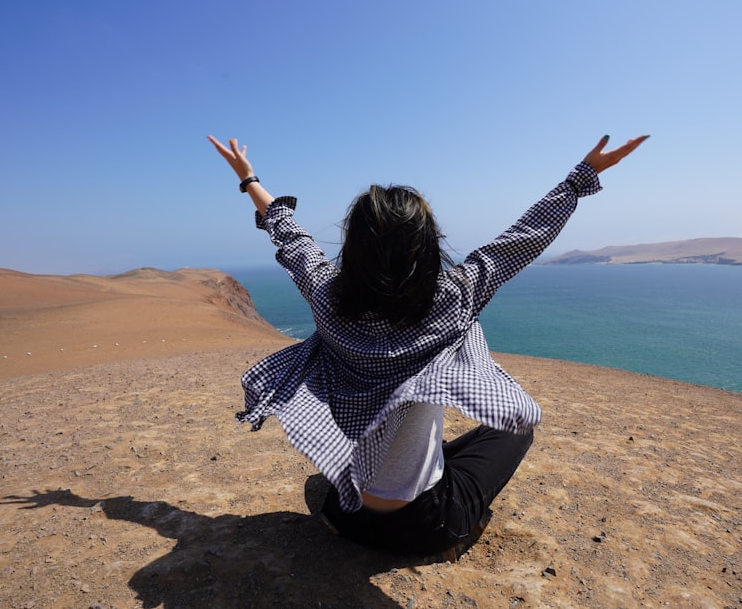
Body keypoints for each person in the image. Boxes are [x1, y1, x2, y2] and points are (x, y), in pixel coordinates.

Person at [208, 132, 649, 557]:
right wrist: (580, 178)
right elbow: (521, 240)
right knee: (514, 430)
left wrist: (249, 179)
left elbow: (292, 237)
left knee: (325, 480)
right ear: (428, 244)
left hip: (346, 515)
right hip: (425, 526)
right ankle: (460, 531)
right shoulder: (455, 297)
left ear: (354, 246)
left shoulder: (326, 298)